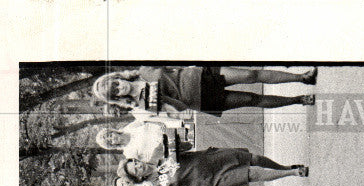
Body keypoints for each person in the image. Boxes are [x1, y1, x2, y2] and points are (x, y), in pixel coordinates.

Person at [92, 66, 317, 116]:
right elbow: (176, 110)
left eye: (114, 83)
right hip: (201, 100)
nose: (118, 87)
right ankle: (298, 100)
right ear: (117, 98)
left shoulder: (144, 70)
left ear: (117, 77)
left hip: (200, 76)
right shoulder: (140, 106)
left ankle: (302, 77)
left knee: (251, 75)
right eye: (114, 92)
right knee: (252, 99)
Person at [118, 149, 308, 186]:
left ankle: (285, 167)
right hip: (210, 181)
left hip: (211, 159)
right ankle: (291, 173)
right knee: (252, 173)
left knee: (255, 159)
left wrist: (175, 150)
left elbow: (184, 144)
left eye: (135, 162)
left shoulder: (158, 151)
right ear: (138, 178)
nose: (138, 165)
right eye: (135, 170)